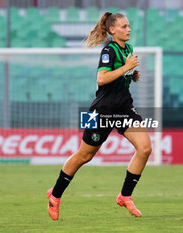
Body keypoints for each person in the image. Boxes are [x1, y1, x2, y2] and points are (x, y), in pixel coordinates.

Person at [47, 12, 152, 221]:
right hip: (101, 111)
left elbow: (122, 75)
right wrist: (126, 68)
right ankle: (55, 195)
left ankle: (125, 196)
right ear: (112, 30)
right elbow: (102, 78)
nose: (128, 29)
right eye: (124, 26)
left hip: (124, 109)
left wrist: (132, 74)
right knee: (84, 156)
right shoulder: (108, 50)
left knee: (145, 148)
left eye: (128, 26)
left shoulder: (128, 49)